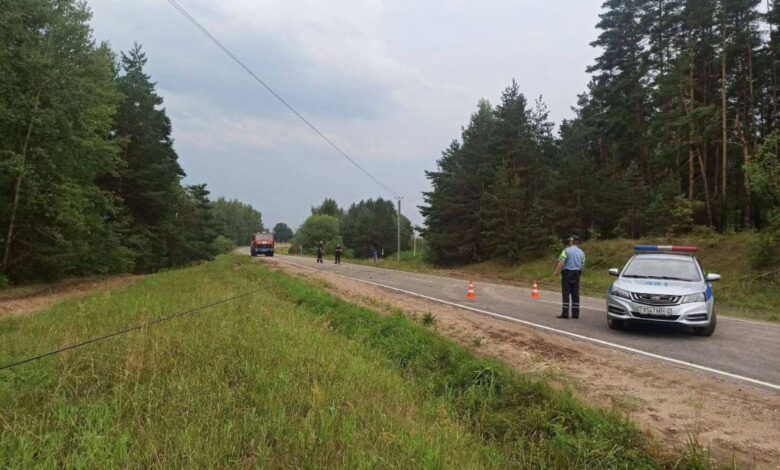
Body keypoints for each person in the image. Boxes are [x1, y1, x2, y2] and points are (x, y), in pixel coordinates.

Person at [554, 235, 585, 319]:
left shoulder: (566, 251)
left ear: (571, 241)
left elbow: (561, 262)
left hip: (567, 273)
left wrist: (557, 271)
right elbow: (582, 266)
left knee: (566, 292)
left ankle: (565, 313)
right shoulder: (582, 252)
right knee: (575, 293)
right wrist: (578, 274)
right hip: (577, 274)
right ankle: (575, 314)